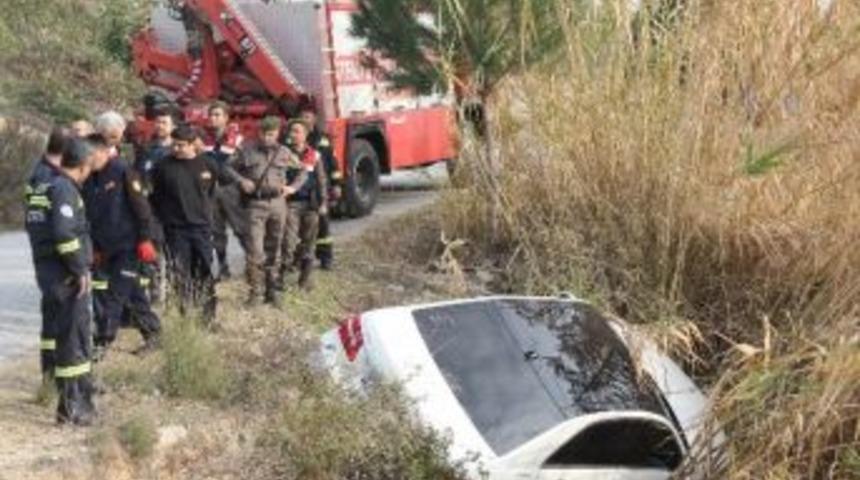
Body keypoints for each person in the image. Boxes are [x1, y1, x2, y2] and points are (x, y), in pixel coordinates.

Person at [25, 138, 97, 425]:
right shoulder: (65, 189)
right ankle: (72, 409)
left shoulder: (45, 185)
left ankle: (73, 404)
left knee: (65, 336)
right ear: (84, 165)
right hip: (65, 277)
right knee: (73, 340)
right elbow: (65, 235)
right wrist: (80, 270)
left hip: (50, 274)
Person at [149, 125, 239, 323]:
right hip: (175, 229)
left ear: (192, 145)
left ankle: (208, 317)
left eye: (181, 145)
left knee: (205, 272)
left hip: (201, 228)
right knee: (180, 273)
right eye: (174, 145)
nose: (176, 149)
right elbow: (155, 197)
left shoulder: (208, 164)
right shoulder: (162, 167)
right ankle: (185, 315)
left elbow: (215, 188)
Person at [82, 133, 161, 358]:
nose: (87, 159)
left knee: (115, 294)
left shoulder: (122, 170)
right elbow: (91, 215)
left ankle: (101, 342)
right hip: (105, 247)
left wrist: (145, 239)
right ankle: (154, 334)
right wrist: (95, 247)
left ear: (103, 152)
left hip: (129, 245)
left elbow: (141, 207)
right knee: (133, 294)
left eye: (90, 155)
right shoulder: (89, 178)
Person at [232, 116, 301, 306]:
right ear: (259, 132)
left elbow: (304, 169)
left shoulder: (285, 152)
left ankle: (272, 290)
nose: (266, 138)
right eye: (263, 133)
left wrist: (293, 187)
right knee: (255, 250)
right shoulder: (246, 150)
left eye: (271, 134)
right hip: (255, 204)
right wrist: (241, 181)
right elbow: (228, 168)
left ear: (277, 134)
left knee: (275, 248)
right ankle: (255, 292)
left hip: (278, 203)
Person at [24, 127, 68, 380]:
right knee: (55, 313)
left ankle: (51, 373)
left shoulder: (40, 172)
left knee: (53, 312)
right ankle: (53, 374)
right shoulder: (48, 177)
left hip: (46, 252)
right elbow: (47, 222)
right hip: (52, 254)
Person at [280, 119, 328, 289]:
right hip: (290, 204)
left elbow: (322, 180)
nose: (293, 135)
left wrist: (324, 203)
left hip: (310, 204)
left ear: (306, 135)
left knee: (308, 243)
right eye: (291, 131)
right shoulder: (284, 154)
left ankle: (305, 280)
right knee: (288, 242)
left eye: (297, 131)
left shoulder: (314, 155)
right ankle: (281, 278)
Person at [203, 101, 248, 280]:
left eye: (217, 115)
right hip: (211, 191)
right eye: (211, 115)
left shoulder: (237, 139)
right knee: (216, 231)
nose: (212, 118)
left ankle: (252, 264)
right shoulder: (205, 140)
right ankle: (223, 267)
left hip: (231, 190)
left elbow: (245, 165)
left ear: (226, 118)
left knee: (241, 228)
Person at [297, 106, 341, 270]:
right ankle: (300, 259)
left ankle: (325, 258)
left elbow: (333, 163)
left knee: (323, 225)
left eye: (308, 117)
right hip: (301, 188)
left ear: (314, 119)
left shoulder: (323, 140)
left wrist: (336, 184)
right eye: (303, 116)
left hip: (319, 188)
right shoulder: (292, 138)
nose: (305, 120)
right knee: (301, 226)